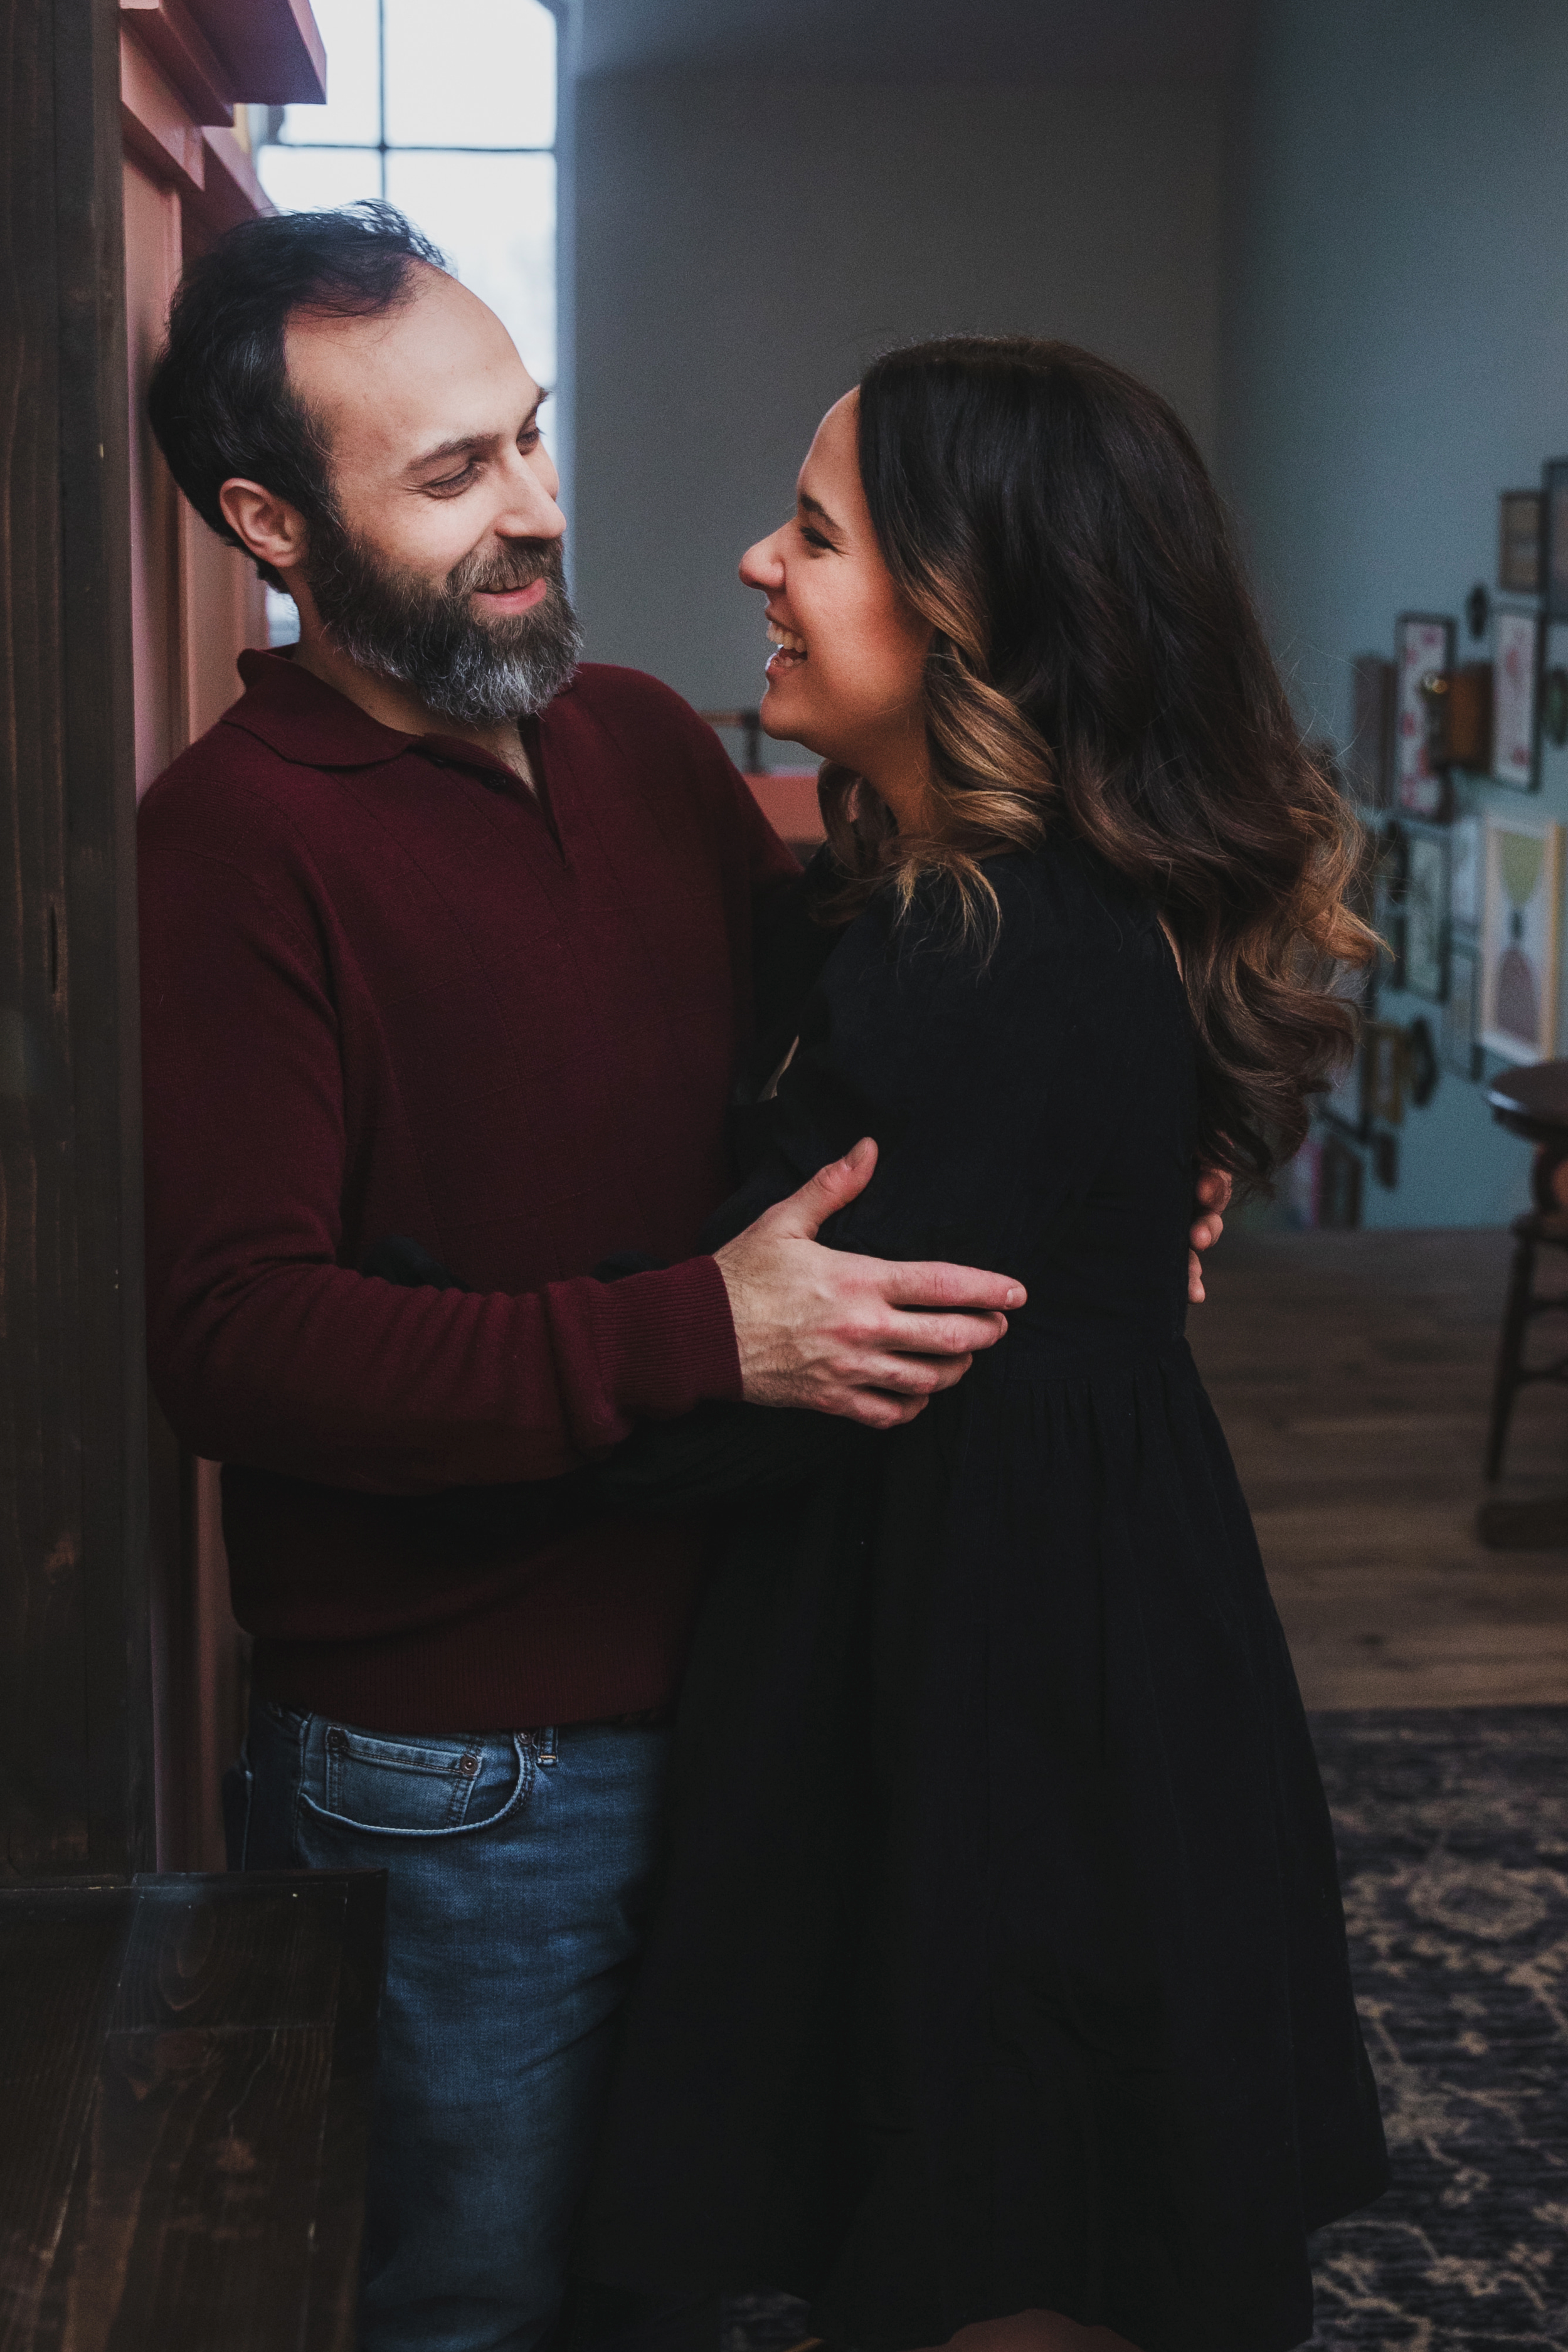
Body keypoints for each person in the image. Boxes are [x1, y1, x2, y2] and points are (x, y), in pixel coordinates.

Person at [138, 209, 1226, 2352]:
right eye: (452, 476)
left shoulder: (635, 736)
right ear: (272, 522)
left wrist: (1139, 1165)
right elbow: (234, 1339)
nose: (539, 508)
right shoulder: (227, 842)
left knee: (677, 2281)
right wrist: (696, 1327)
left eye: (527, 438)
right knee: (481, 2302)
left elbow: (894, 1003)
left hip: (749, 1657)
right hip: (466, 1758)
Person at [547, 341, 1392, 2352]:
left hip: (1003, 1697)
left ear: (973, 620)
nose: (757, 557)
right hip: (1048, 1626)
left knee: (997, 2213)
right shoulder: (981, 904)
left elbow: (777, 1381)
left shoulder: (984, 960)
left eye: (817, 532)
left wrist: (481, 1361)